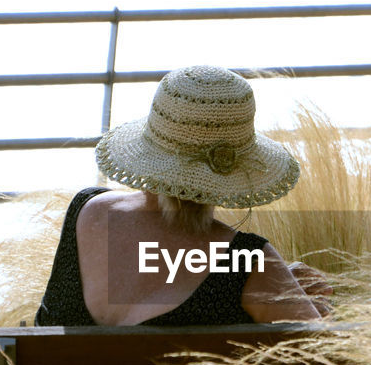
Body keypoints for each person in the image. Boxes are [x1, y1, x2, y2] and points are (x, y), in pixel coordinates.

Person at [35, 65, 330, 327]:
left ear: (150, 151)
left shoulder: (89, 212)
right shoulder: (249, 264)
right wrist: (297, 295)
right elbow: (323, 363)